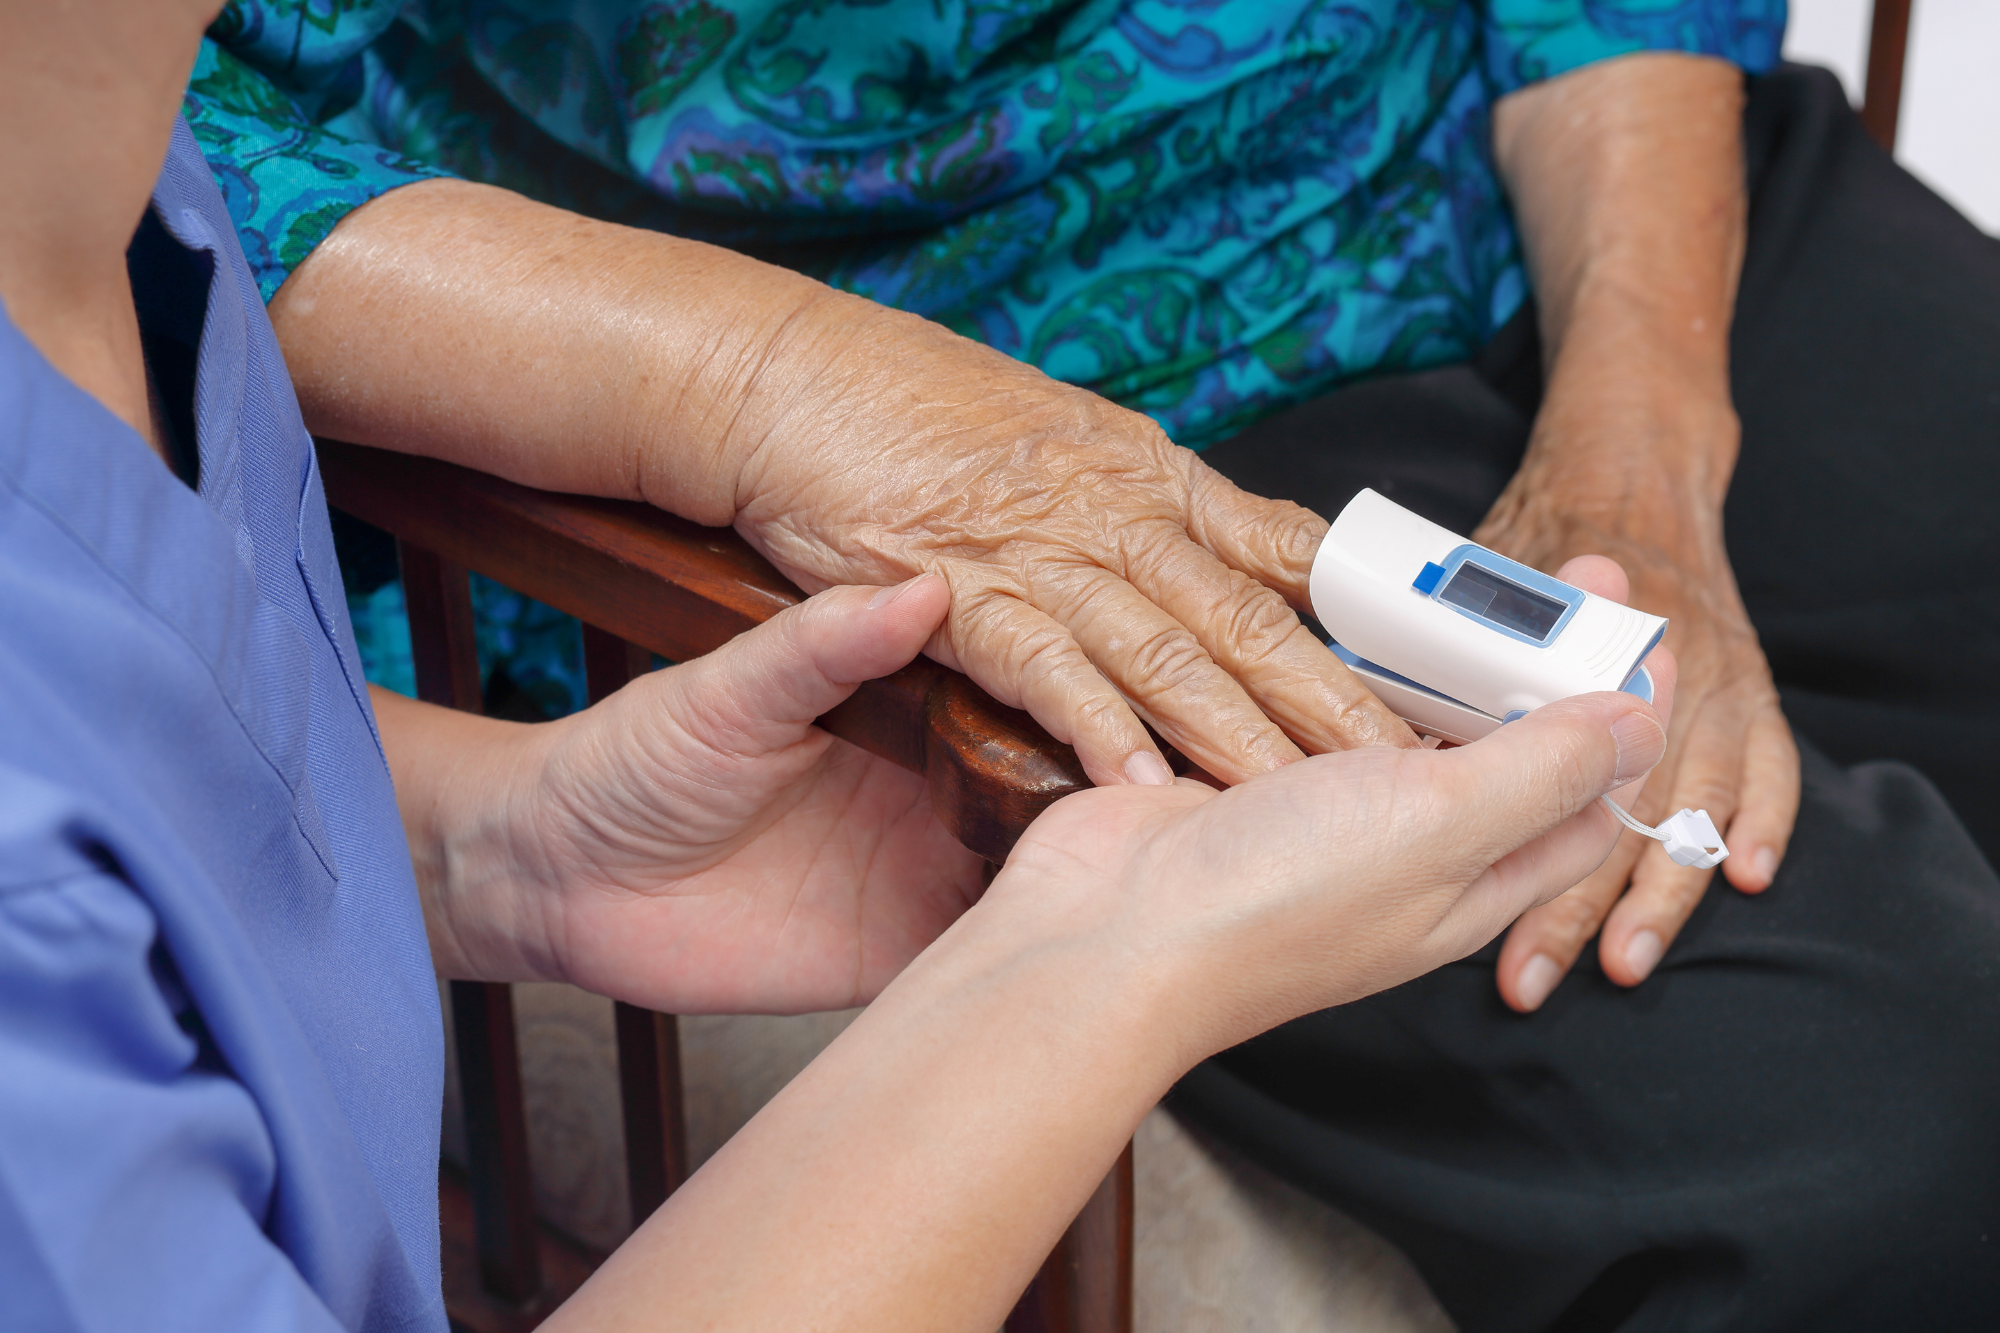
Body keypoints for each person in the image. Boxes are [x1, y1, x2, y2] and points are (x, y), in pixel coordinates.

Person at [178, 3, 2000, 1326]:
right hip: (976, 428)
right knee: (1904, 1115)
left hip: (1535, 159)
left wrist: (1644, 440)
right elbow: (131, 135)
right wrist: (765, 385)